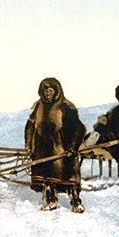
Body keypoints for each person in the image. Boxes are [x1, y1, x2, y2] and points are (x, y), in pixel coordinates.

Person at [24, 77, 86, 213]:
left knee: (68, 177)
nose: (48, 94)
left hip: (61, 149)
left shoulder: (66, 106)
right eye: (45, 91)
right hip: (42, 148)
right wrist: (29, 144)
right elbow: (30, 125)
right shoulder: (39, 106)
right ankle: (51, 201)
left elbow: (78, 129)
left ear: (56, 91)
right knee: (47, 179)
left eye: (50, 91)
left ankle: (75, 203)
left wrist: (71, 147)